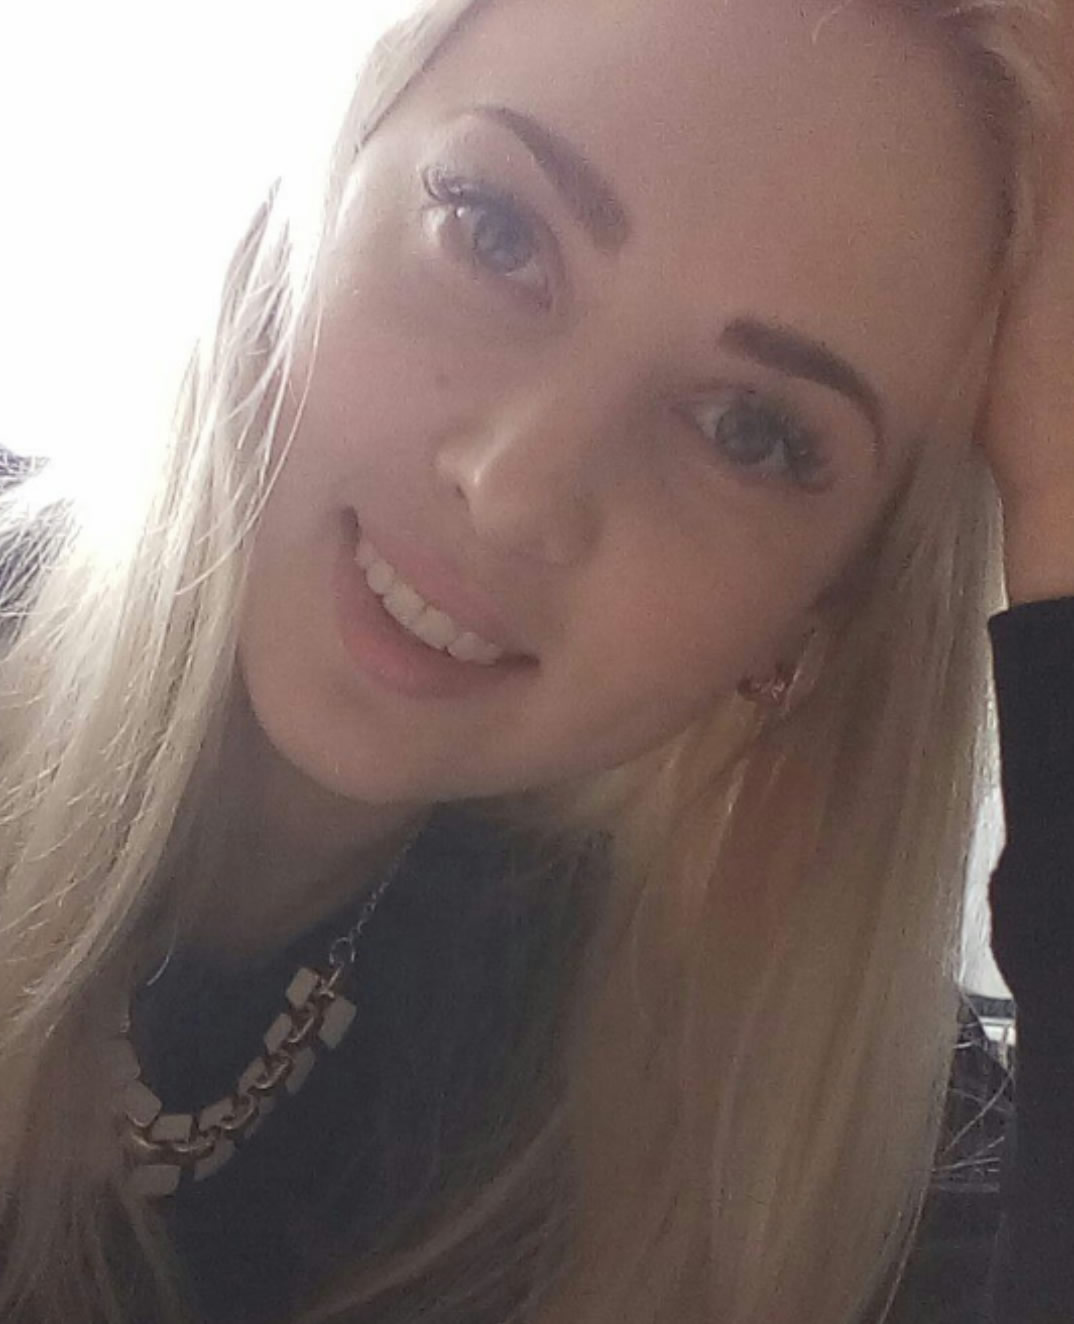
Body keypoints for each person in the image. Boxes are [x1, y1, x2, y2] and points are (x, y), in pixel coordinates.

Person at [0, 0, 1070, 1320]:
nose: (515, 491)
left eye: (748, 430)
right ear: (319, 189)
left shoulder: (788, 1129)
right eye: (495, 231)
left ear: (813, 622)